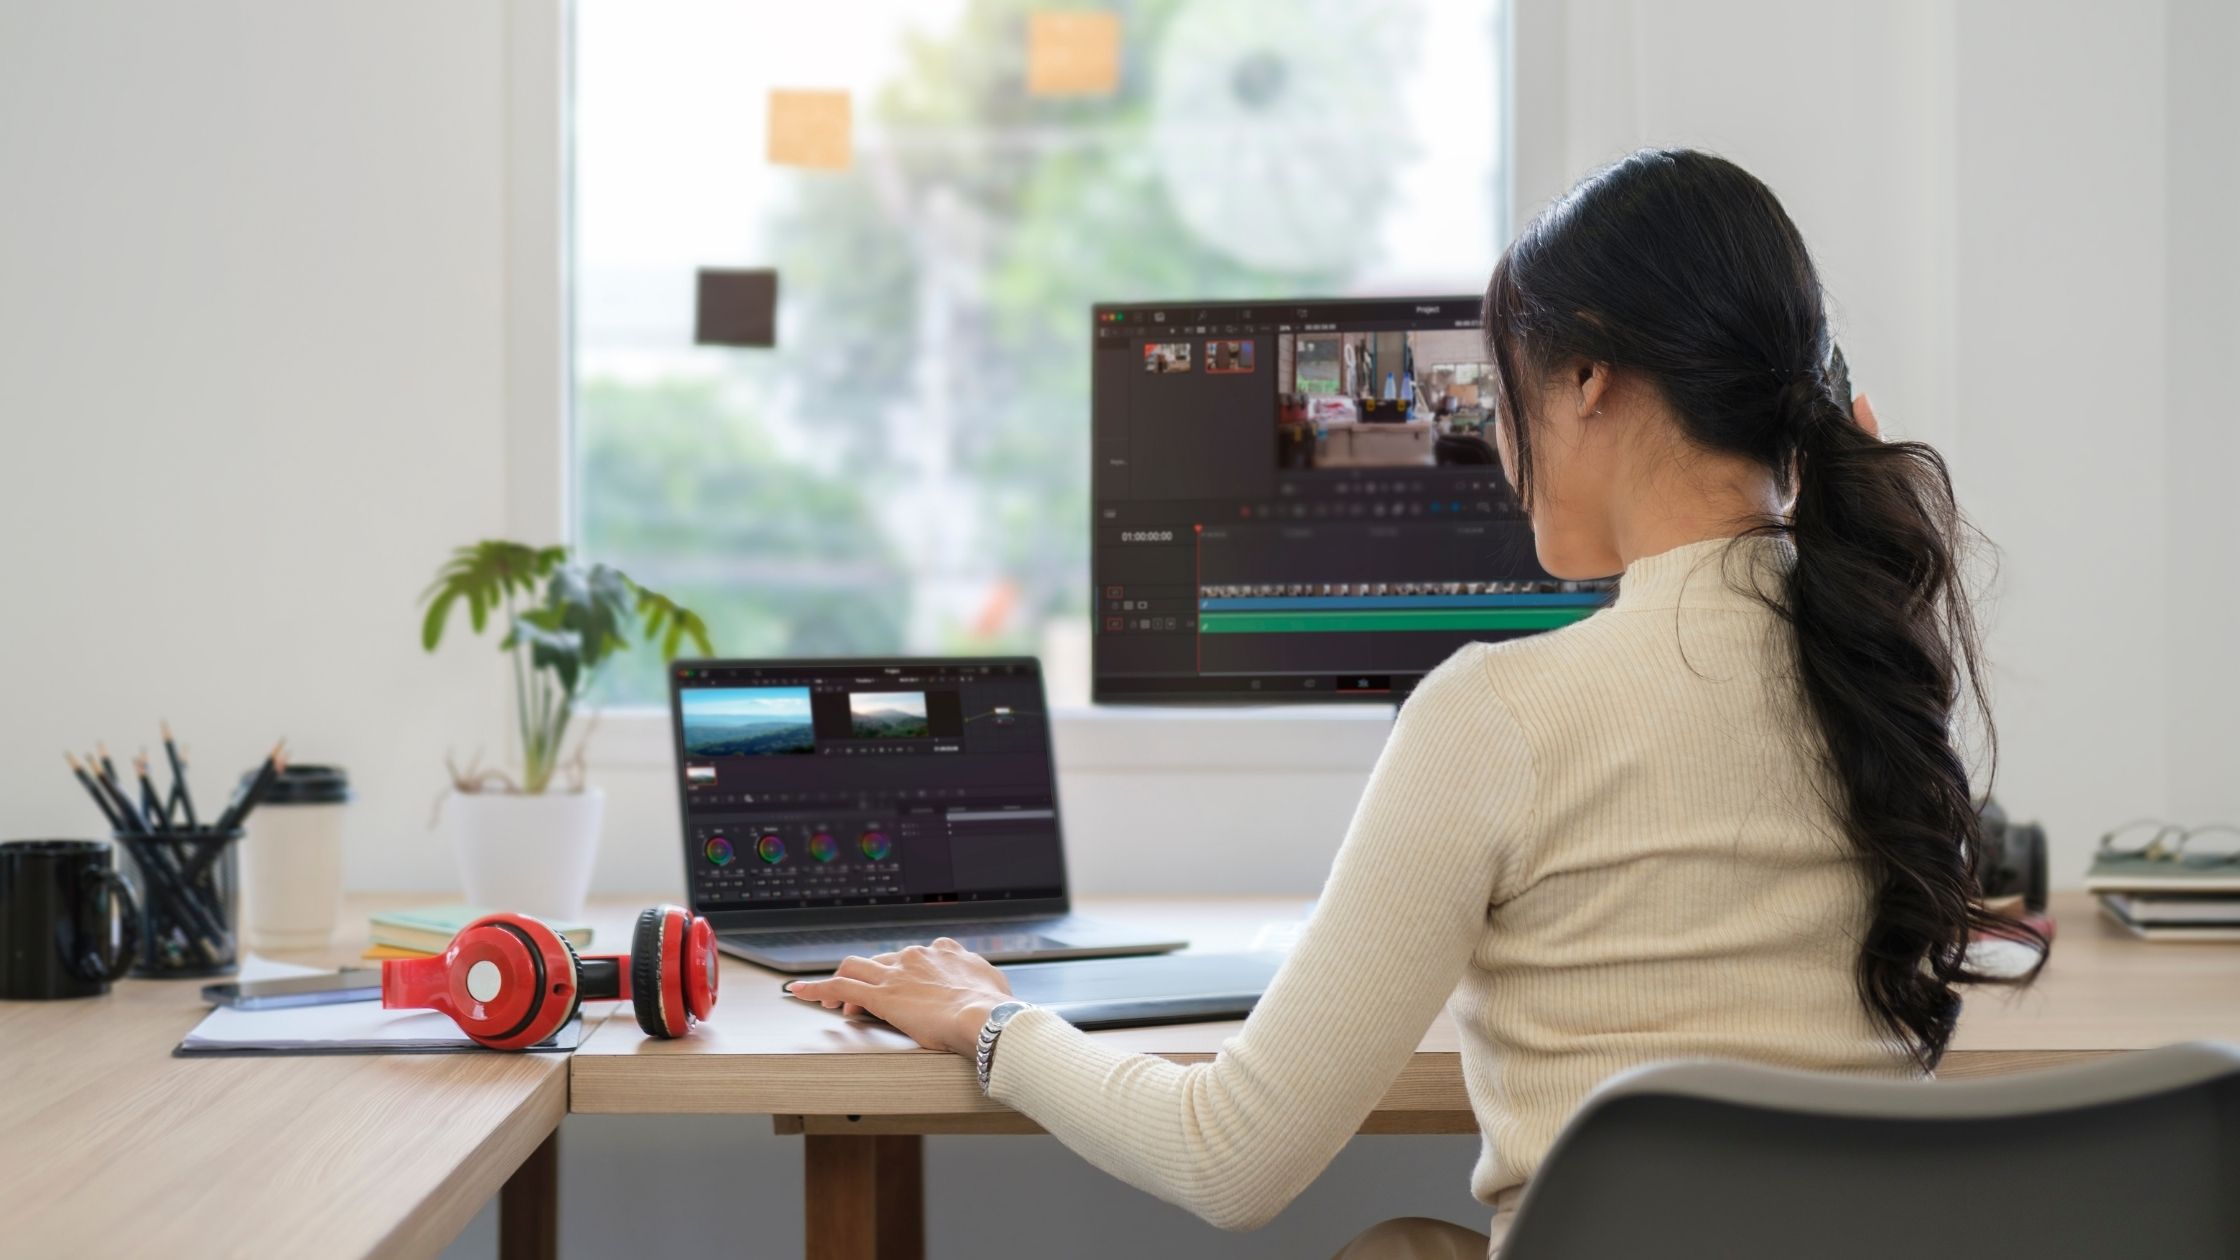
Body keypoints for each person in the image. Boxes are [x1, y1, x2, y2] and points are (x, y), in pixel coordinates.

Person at [786, 149, 2046, 1257]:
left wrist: (994, 1022)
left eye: (1503, 397)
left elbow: (1227, 1158)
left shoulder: (1500, 714)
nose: (1500, 453)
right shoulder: (1878, 679)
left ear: (1588, 379)